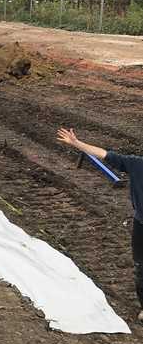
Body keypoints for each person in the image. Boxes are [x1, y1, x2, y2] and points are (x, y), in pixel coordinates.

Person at [56, 128, 143, 321]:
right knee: (140, 268)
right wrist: (77, 143)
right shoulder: (136, 164)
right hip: (141, 226)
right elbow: (104, 154)